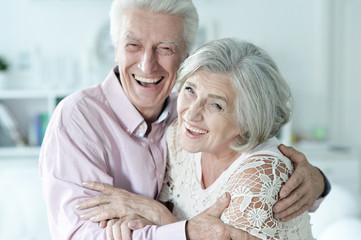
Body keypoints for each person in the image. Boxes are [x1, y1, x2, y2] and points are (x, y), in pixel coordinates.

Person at [39, 0, 329, 239]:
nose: (147, 64)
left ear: (186, 58)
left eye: (165, 48)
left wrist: (317, 182)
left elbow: (259, 153)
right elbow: (80, 235)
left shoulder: (188, 111)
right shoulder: (78, 119)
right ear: (116, 48)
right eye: (133, 45)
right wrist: (184, 231)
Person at [78, 38, 315, 239]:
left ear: (246, 121)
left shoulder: (258, 178)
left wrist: (159, 215)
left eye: (216, 105)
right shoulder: (177, 139)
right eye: (190, 90)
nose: (191, 114)